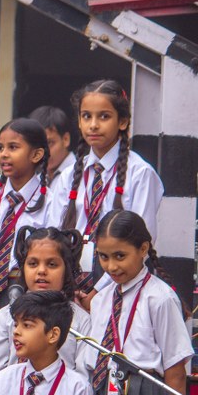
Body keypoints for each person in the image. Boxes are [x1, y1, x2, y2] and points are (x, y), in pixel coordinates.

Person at [79, 210, 191, 395]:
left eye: (120, 256)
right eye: (103, 257)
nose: (111, 266)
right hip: (104, 393)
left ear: (143, 249)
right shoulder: (101, 299)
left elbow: (175, 369)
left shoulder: (160, 298)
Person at [50, 80, 163, 301]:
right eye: (86, 116)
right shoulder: (68, 176)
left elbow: (141, 240)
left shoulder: (140, 174)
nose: (93, 125)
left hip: (118, 285)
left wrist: (98, 292)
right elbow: (54, 235)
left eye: (104, 116)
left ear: (123, 122)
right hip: (70, 286)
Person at [0, 226, 90, 374]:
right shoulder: (4, 317)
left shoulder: (80, 321)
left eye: (52, 264)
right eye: (33, 264)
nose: (41, 271)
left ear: (66, 268)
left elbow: (83, 376)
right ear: (23, 267)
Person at [0, 118, 51, 312]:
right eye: (1, 148)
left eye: (13, 147)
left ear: (36, 154)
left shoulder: (50, 202)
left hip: (25, 289)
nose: (4, 154)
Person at [28, 106, 74, 189]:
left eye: (49, 143)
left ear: (65, 139)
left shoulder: (81, 174)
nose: (43, 152)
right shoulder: (36, 179)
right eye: (37, 145)